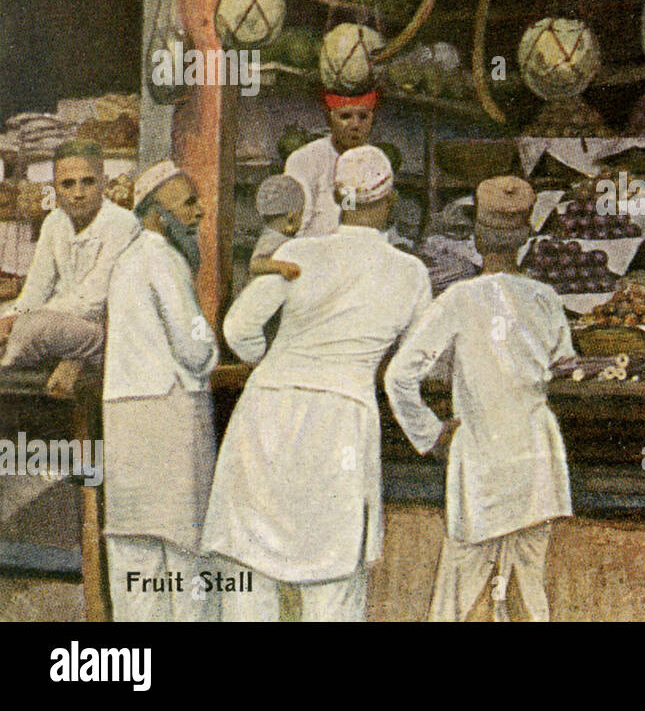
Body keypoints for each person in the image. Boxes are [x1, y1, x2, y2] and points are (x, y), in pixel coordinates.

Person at [204, 145, 434, 622]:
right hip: (341, 423)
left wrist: (275, 364)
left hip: (269, 411)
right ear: (390, 199)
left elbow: (238, 328)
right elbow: (413, 367)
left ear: (333, 196)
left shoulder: (297, 252)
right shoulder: (410, 274)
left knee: (253, 581)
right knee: (333, 590)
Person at [386, 175, 575, 622]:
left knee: (455, 597)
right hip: (535, 462)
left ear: (474, 237)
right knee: (531, 594)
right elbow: (564, 367)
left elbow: (399, 376)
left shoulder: (458, 298)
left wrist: (431, 435)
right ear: (527, 237)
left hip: (484, 461)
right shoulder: (546, 298)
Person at [101, 159, 219, 622]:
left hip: (125, 416)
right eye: (188, 203)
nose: (199, 212)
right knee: (188, 554)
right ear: (157, 213)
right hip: (169, 416)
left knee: (134, 555)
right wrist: (211, 349)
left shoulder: (127, 261)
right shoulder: (164, 258)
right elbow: (193, 349)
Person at [0, 140, 139, 388]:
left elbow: (92, 302)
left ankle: (8, 365)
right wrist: (11, 317)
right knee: (16, 320)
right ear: (55, 188)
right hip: (65, 325)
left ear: (104, 182)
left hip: (107, 330)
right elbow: (35, 290)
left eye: (88, 181)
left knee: (33, 328)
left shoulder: (122, 223)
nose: (78, 193)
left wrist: (21, 322)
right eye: (67, 184)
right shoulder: (54, 222)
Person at [283, 90, 377, 238]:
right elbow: (296, 229)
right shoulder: (305, 159)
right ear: (329, 119)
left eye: (363, 117)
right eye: (345, 116)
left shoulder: (376, 161)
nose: (355, 125)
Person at [248, 174, 304, 281]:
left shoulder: (277, 235)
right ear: (291, 218)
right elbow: (255, 264)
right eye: (300, 215)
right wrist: (281, 267)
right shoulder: (273, 238)